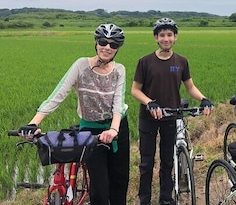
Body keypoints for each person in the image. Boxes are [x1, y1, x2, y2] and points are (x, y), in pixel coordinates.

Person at [18, 24, 130, 205]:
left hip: (117, 129)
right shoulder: (81, 65)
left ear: (117, 49)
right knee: (100, 189)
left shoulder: (119, 70)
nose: (107, 47)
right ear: (96, 43)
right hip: (91, 131)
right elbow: (58, 95)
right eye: (103, 42)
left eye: (113, 45)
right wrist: (33, 123)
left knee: (119, 182)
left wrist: (113, 130)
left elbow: (118, 103)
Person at [131, 17, 214, 205]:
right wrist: (150, 103)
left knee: (168, 161)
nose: (166, 39)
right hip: (148, 117)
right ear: (156, 38)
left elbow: (190, 87)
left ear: (175, 37)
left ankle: (166, 199)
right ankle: (144, 200)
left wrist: (203, 99)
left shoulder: (181, 62)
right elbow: (135, 90)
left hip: (171, 116)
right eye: (162, 35)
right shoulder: (145, 62)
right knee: (146, 163)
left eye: (170, 35)